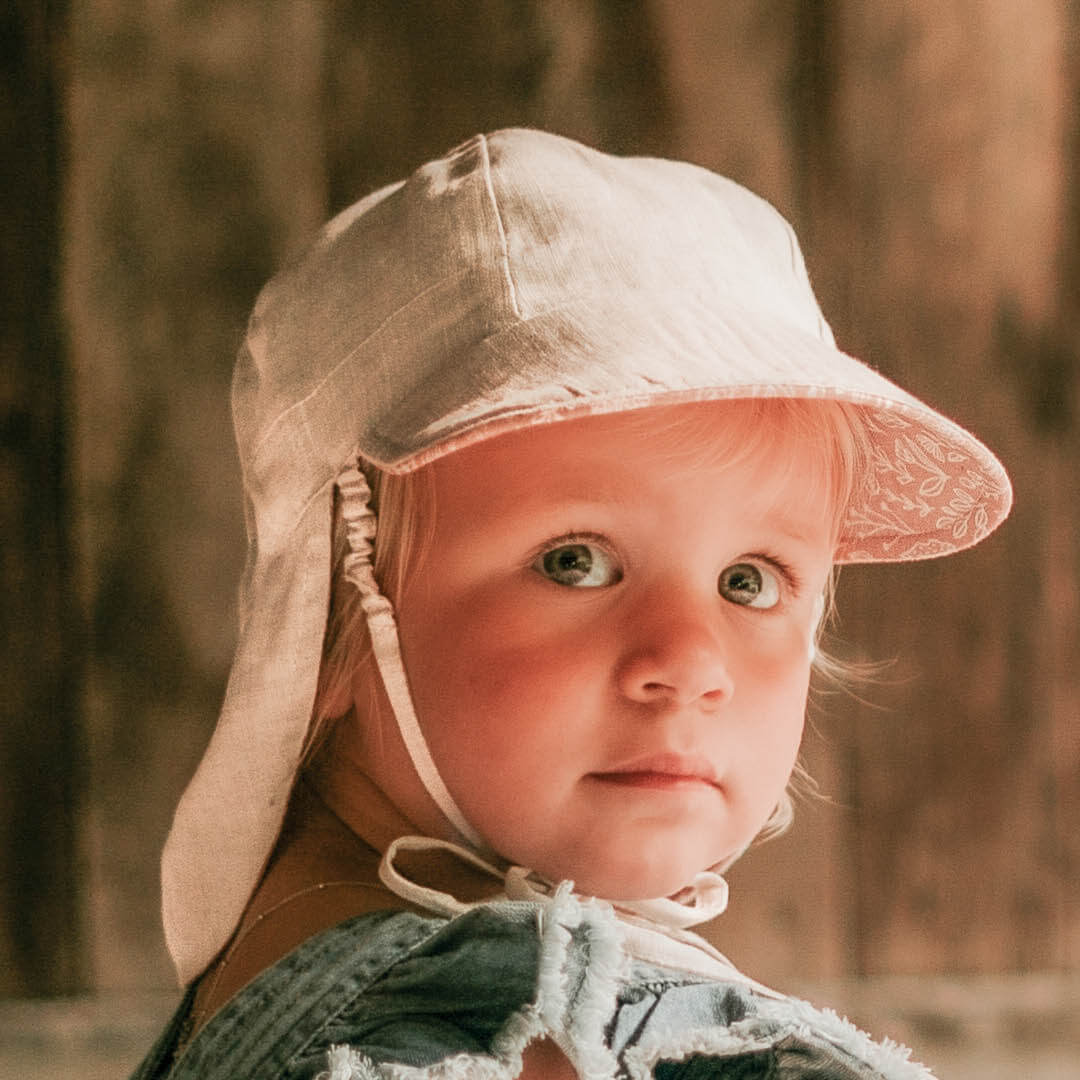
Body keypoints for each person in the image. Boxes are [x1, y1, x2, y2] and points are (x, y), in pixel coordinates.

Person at [131, 128, 1012, 1080]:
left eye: (749, 581)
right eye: (576, 561)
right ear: (335, 619)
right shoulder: (511, 1039)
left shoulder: (263, 985)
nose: (691, 662)